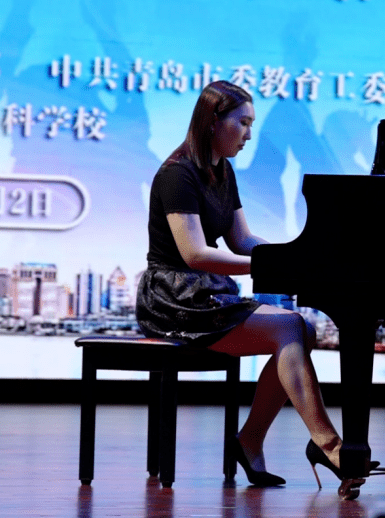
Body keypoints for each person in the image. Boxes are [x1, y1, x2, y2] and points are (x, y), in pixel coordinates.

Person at [136, 80, 345, 487]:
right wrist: (267, 266)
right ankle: (328, 444)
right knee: (291, 326)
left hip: (204, 293)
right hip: (173, 297)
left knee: (302, 329)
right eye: (243, 123)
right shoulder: (177, 174)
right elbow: (195, 255)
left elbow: (242, 239)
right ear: (213, 121)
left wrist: (290, 257)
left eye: (251, 124)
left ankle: (250, 440)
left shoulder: (221, 170)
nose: (249, 134)